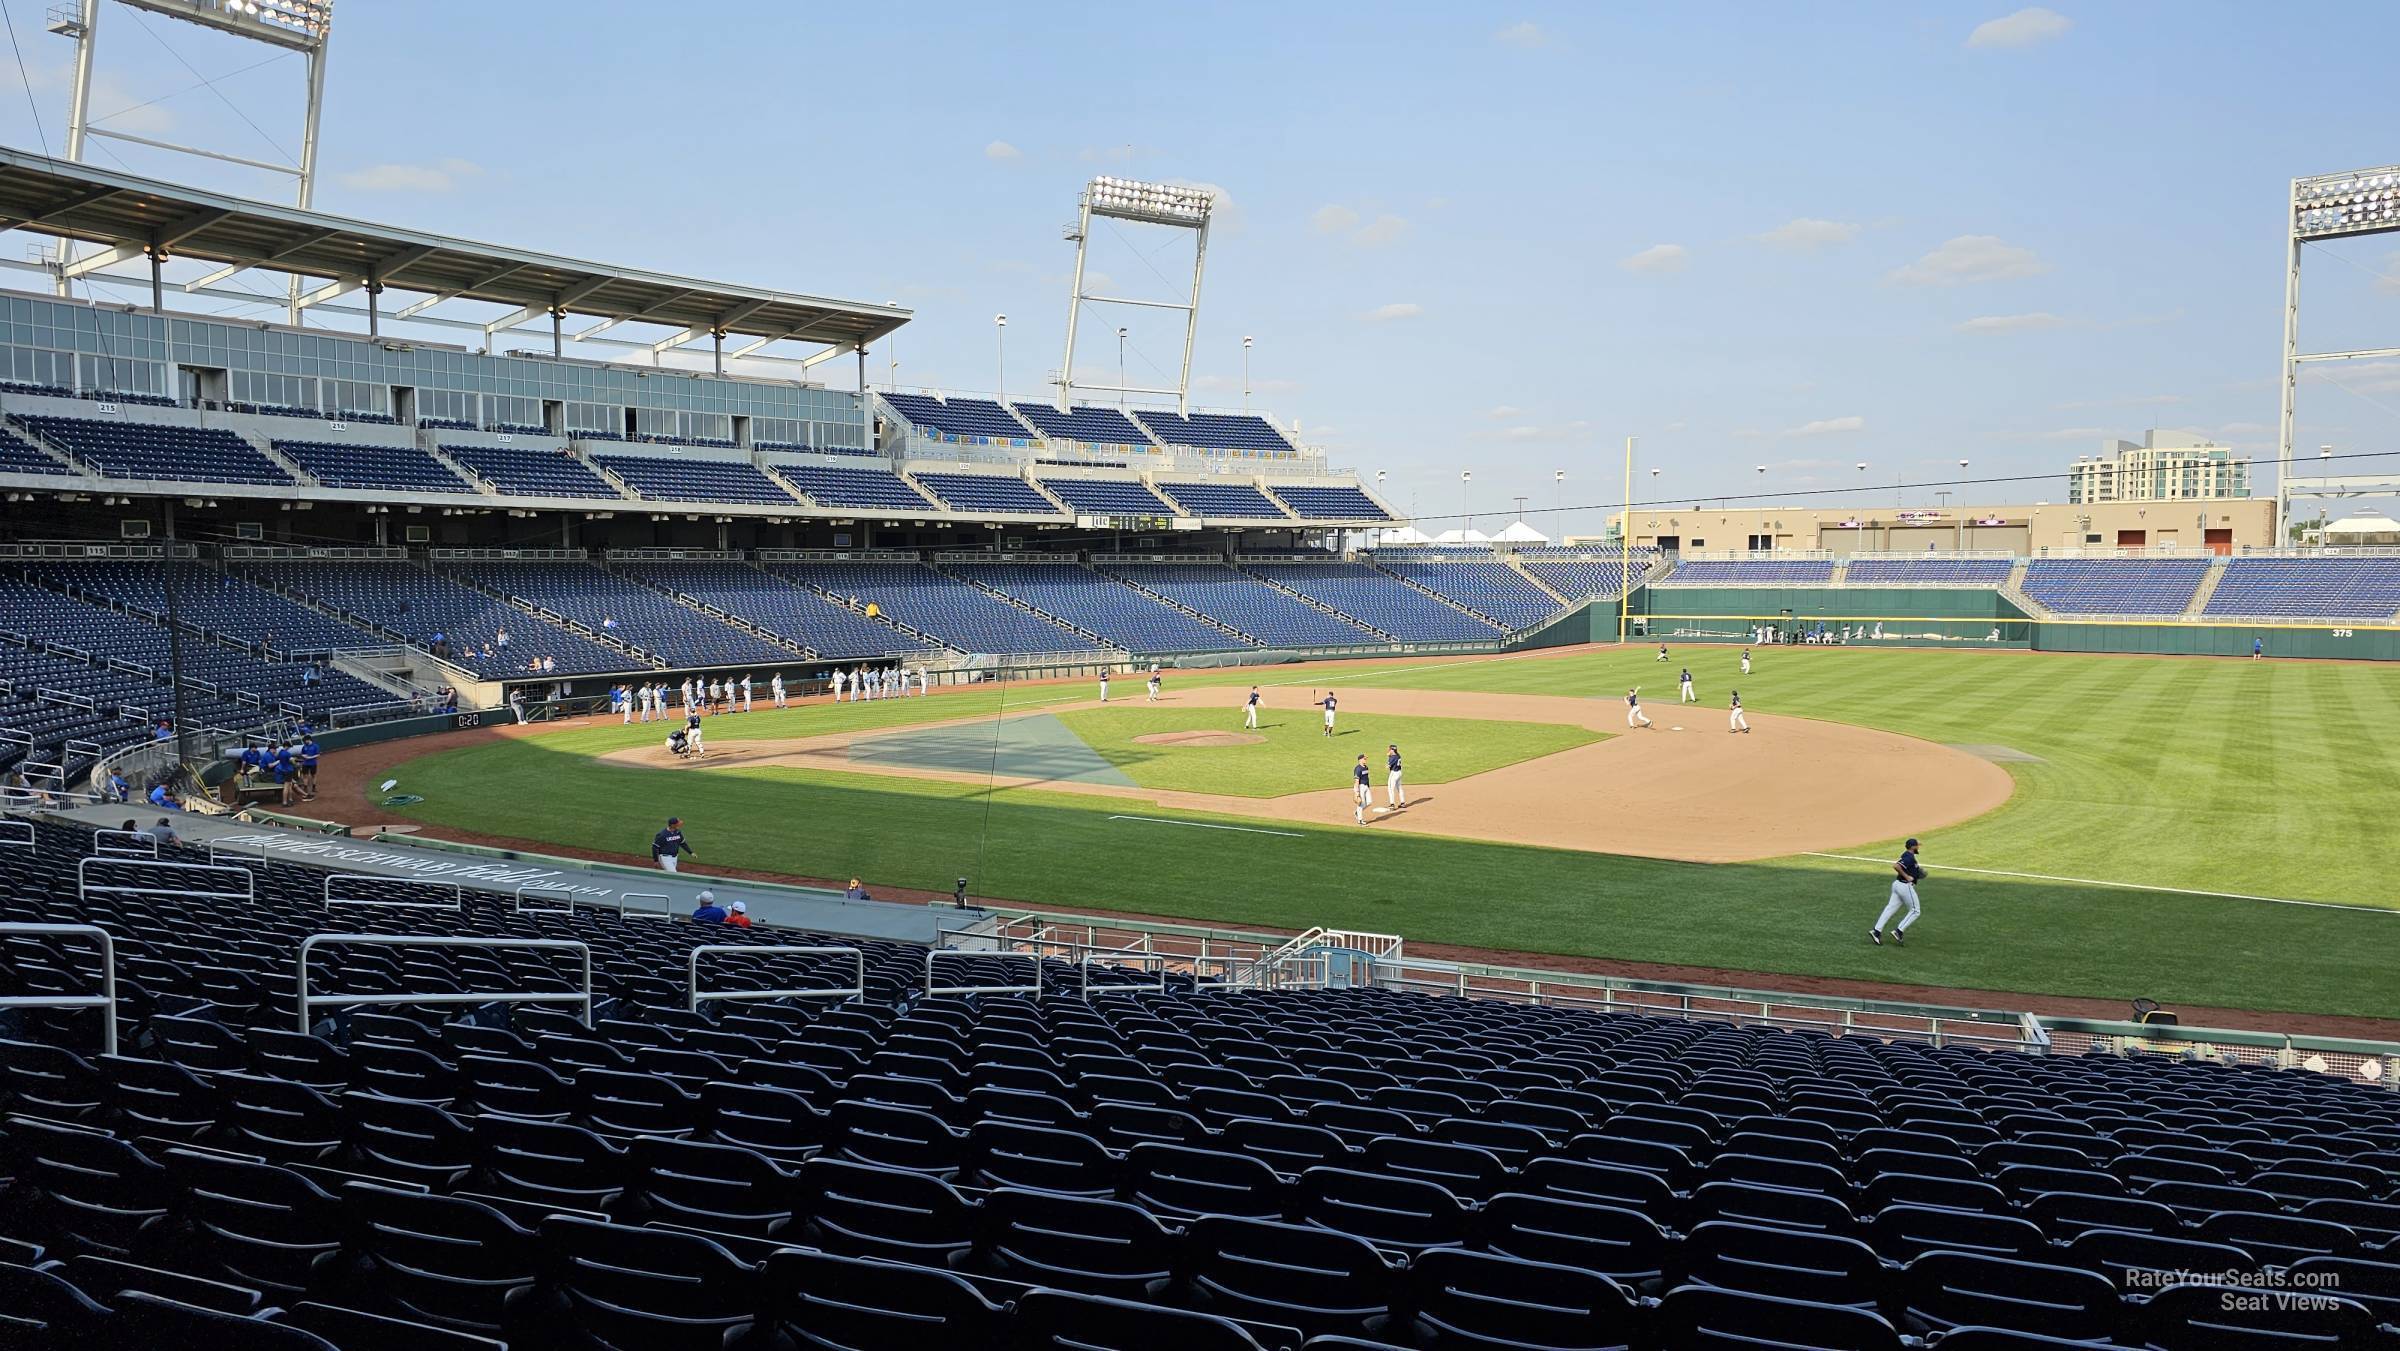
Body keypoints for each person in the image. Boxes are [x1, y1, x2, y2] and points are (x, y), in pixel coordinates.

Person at [1871, 838, 1928, 946]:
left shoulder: (1908, 856)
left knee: (1890, 909)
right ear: (1912, 847)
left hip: (1898, 885)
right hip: (1904, 887)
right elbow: (1896, 866)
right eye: (1917, 846)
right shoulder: (1909, 857)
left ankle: (1876, 931)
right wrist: (1907, 876)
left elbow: (1906, 868)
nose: (1918, 847)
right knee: (1915, 911)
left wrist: (1915, 874)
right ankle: (1899, 931)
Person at [1352, 754, 1372, 825]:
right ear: (1360, 760)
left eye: (1366, 758)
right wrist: (1357, 792)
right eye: (1364, 759)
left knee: (1369, 802)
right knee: (1361, 803)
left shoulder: (1366, 767)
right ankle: (1360, 820)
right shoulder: (1358, 769)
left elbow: (1367, 778)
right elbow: (1356, 781)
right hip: (1360, 787)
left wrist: (1368, 786)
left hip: (1366, 786)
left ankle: (1357, 812)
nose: (1365, 760)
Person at [298, 735, 321, 799]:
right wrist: (304, 756)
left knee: (313, 775)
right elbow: (302, 754)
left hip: (313, 763)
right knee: (305, 775)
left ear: (309, 740)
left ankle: (313, 787)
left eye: (305, 740)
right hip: (305, 763)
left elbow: (318, 754)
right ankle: (305, 787)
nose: (305, 742)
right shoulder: (304, 747)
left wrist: (310, 757)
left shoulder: (315, 746)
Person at [1385, 743, 1407, 809]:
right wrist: (1390, 756)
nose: (1389, 750)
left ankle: (1392, 804)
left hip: (1394, 773)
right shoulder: (1398, 755)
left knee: (1390, 788)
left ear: (1392, 750)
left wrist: (1389, 757)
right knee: (1399, 788)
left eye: (1390, 749)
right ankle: (1402, 803)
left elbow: (1387, 766)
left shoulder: (1392, 757)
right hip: (1399, 773)